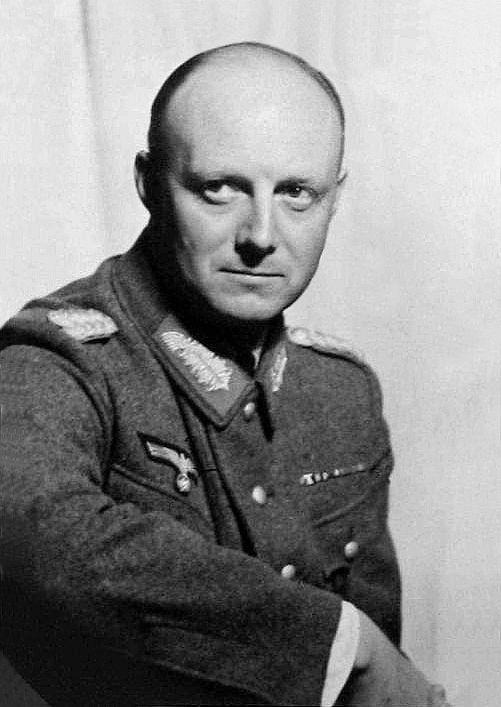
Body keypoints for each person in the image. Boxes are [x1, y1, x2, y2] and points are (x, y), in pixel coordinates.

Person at [0, 42, 450, 706]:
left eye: (296, 193)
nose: (261, 234)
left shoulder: (341, 391)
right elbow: (28, 536)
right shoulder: (58, 359)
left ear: (335, 198)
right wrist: (338, 642)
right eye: (219, 188)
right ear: (149, 184)